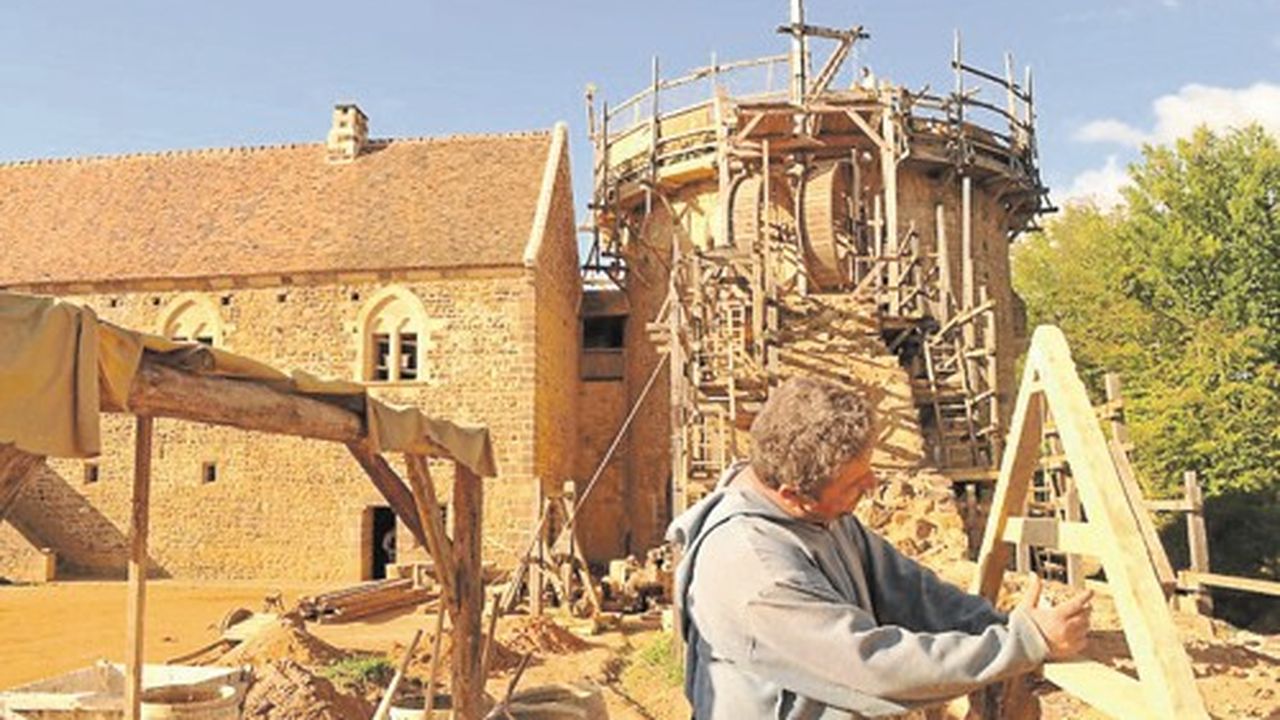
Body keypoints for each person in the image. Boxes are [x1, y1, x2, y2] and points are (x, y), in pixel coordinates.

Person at [667, 376, 1092, 719]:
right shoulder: (756, 574)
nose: (871, 487)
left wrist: (996, 625)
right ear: (794, 494)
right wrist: (1023, 644)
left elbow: (910, 590)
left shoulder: (821, 517)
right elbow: (873, 667)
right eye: (855, 482)